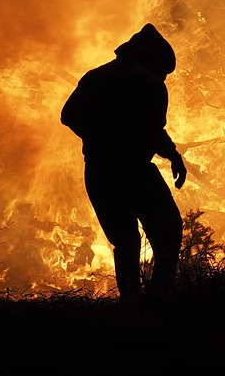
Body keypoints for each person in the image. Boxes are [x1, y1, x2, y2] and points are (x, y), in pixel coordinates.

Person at [60, 23, 187, 303]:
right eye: (161, 72)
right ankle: (146, 300)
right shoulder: (125, 83)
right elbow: (70, 115)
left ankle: (146, 299)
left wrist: (172, 154)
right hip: (122, 171)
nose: (162, 79)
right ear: (143, 62)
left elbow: (153, 129)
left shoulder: (107, 79)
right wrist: (108, 138)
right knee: (153, 233)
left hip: (108, 171)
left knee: (146, 235)